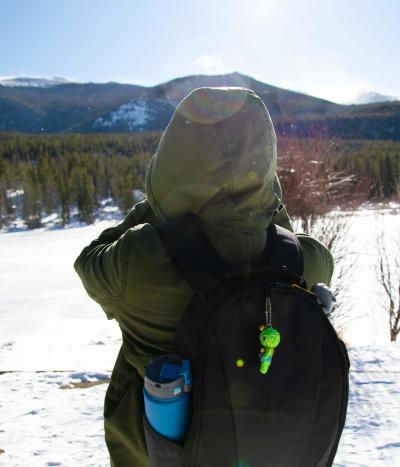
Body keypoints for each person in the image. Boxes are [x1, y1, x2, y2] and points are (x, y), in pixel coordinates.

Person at [74, 87, 334, 466]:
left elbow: (88, 262)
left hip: (154, 454)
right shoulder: (307, 260)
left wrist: (157, 206)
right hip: (271, 449)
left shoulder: (141, 259)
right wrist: (263, 202)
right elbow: (287, 235)